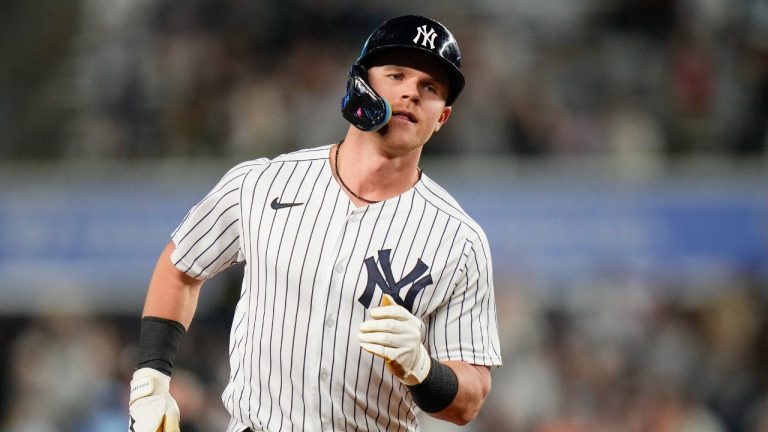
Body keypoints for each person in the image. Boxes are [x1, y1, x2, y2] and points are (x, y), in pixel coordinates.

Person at [128, 15, 502, 432]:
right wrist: (151, 382)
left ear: (442, 117)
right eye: (396, 74)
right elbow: (182, 265)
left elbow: (470, 399)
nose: (411, 92)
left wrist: (423, 367)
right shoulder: (262, 181)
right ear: (360, 82)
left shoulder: (459, 240)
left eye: (430, 88)